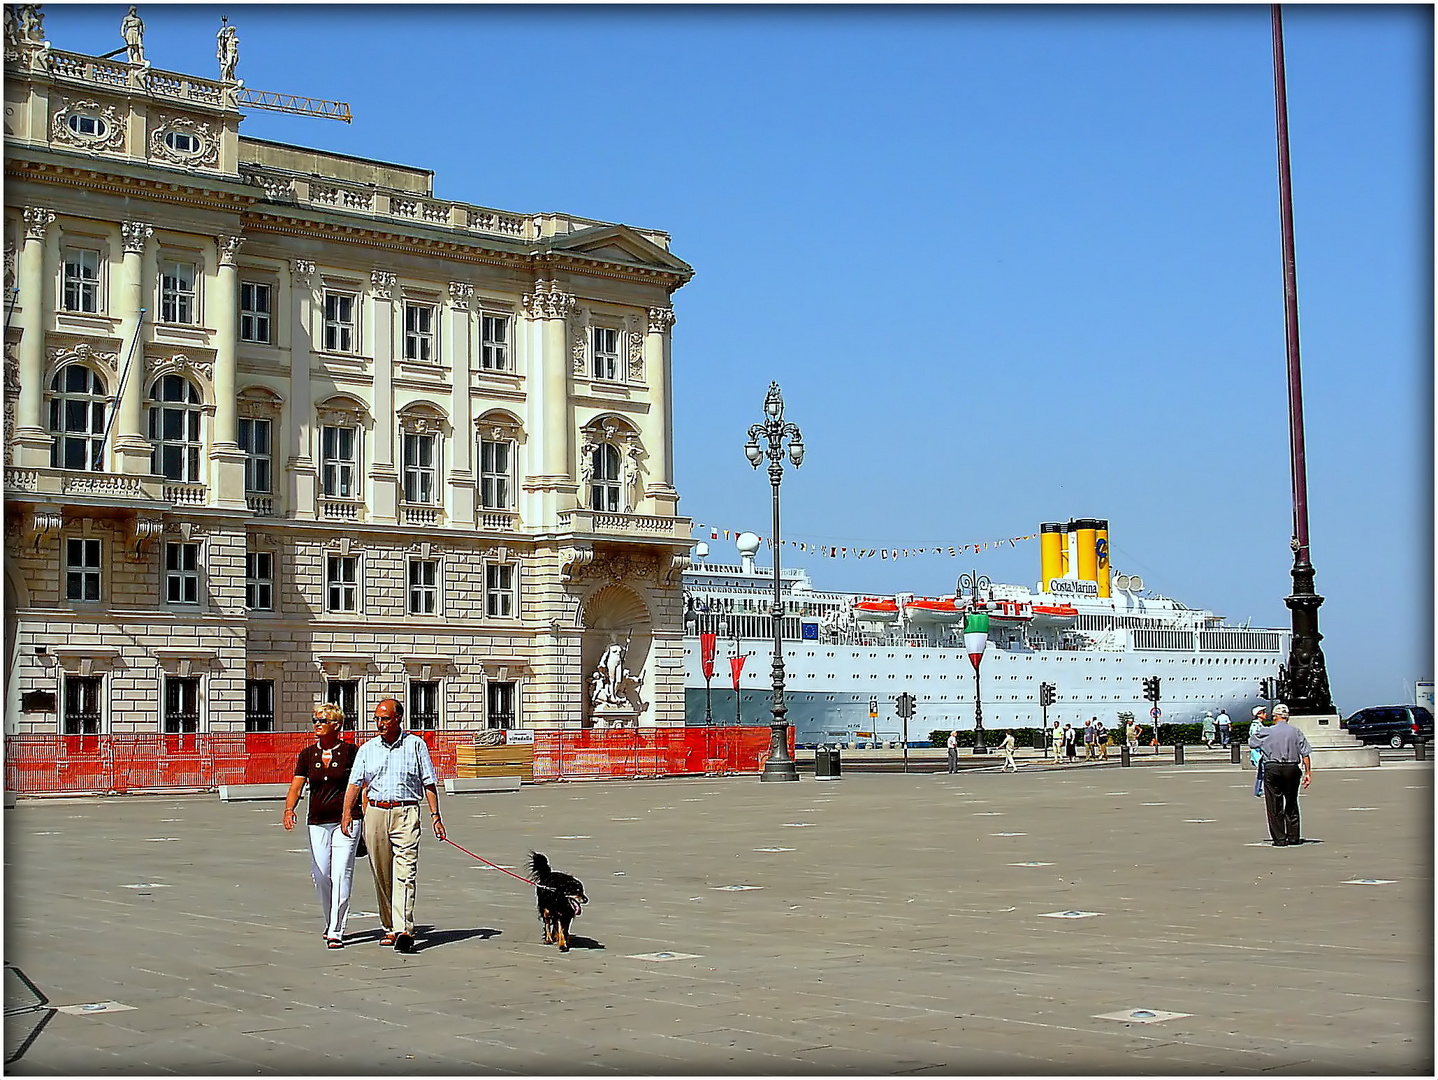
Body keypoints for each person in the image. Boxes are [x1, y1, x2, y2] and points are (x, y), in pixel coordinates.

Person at [340, 698, 446, 953]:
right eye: (377, 719)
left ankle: (404, 929)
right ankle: (388, 925)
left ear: (398, 718)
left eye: (385, 719)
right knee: (381, 872)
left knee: (406, 872)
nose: (380, 724)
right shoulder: (368, 749)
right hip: (375, 812)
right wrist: (346, 813)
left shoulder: (415, 745)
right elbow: (355, 783)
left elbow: (429, 782)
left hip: (406, 811)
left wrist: (436, 816)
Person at [283, 702, 361, 948]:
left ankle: (337, 929)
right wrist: (289, 809)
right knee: (321, 873)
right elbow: (296, 786)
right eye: (315, 720)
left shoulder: (351, 752)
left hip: (347, 819)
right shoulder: (307, 754)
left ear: (336, 725)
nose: (317, 725)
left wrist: (364, 816)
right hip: (317, 819)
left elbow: (361, 785)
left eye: (322, 721)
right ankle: (330, 920)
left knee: (341, 872)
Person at [1248, 703, 1312, 846]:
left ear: (1275, 716)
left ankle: (1279, 838)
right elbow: (1305, 754)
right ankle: (1294, 836)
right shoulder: (1296, 732)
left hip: (1273, 766)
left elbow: (1252, 743)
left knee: (1274, 803)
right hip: (1292, 767)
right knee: (1291, 801)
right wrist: (1308, 772)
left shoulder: (1267, 731)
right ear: (1287, 717)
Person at [1249, 706, 1268, 797]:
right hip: (1259, 752)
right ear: (1259, 714)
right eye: (1263, 713)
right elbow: (1254, 739)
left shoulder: (1258, 725)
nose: (1265, 714)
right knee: (1264, 772)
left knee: (1261, 772)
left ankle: (1258, 790)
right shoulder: (1256, 726)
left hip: (1259, 752)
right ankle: (1262, 790)